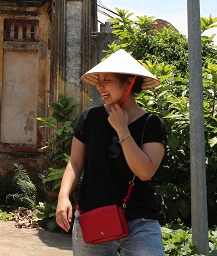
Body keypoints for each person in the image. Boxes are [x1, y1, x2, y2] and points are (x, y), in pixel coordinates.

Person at [56, 49, 168, 255]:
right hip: (92, 218)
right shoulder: (89, 118)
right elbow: (75, 163)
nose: (100, 86)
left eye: (107, 80)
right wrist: (63, 197)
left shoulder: (152, 124)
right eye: (98, 80)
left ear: (128, 83)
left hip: (139, 223)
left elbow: (145, 171)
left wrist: (122, 129)